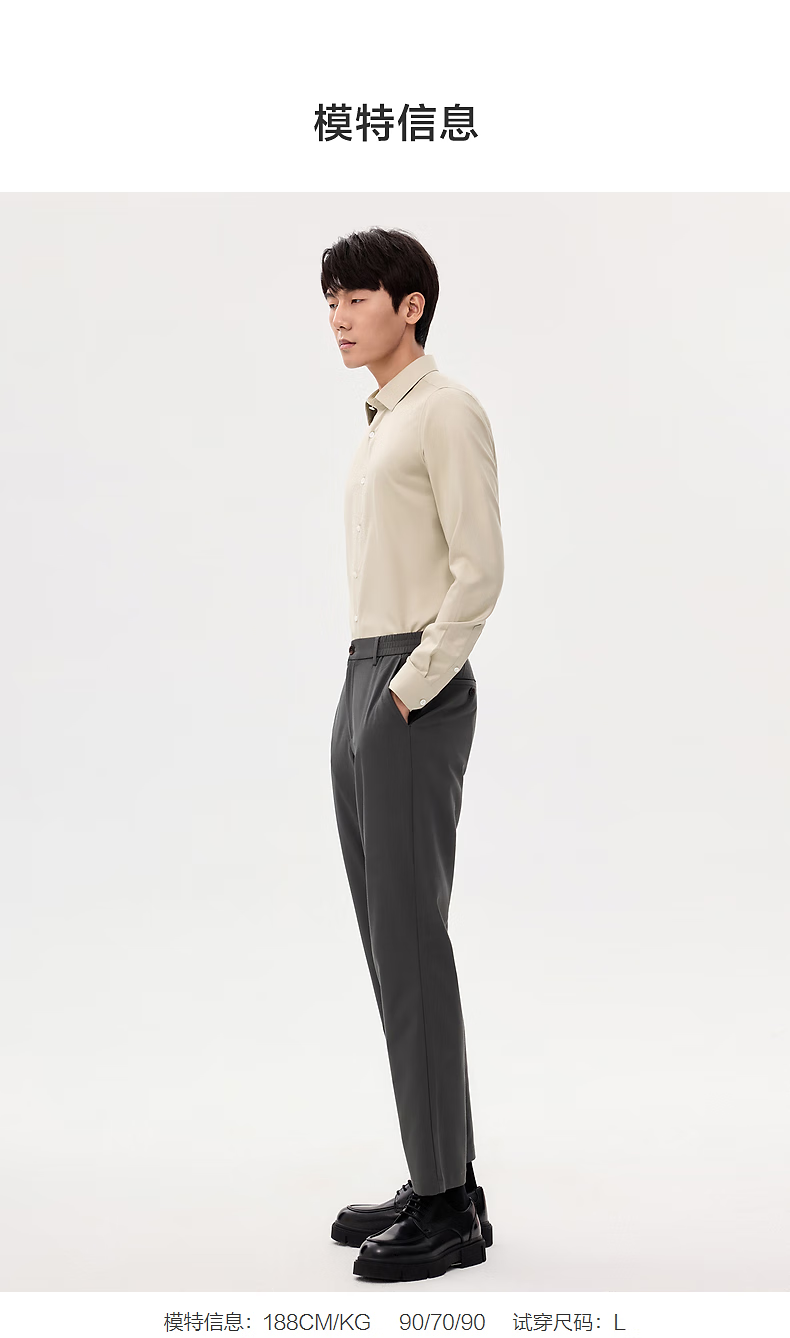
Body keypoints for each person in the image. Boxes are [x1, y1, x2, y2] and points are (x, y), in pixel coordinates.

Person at [325, 227, 505, 1282]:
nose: (339, 317)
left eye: (356, 298)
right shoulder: (383, 420)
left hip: (408, 688)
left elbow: (479, 571)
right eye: (331, 302)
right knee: (389, 945)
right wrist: (366, 692)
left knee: (412, 946)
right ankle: (444, 1175)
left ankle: (446, 1210)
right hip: (365, 675)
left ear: (412, 305)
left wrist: (406, 687)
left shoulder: (446, 410)